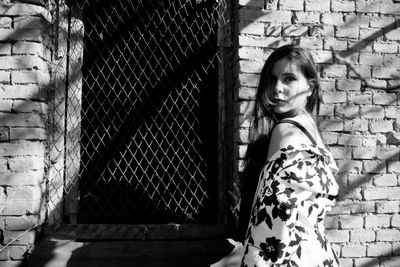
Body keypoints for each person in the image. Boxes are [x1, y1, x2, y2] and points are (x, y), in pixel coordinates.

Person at [240, 45, 340, 267]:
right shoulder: (311, 131)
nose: (277, 88)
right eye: (272, 79)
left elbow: (273, 221)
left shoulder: (285, 131)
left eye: (288, 79)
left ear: (310, 87)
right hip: (318, 255)